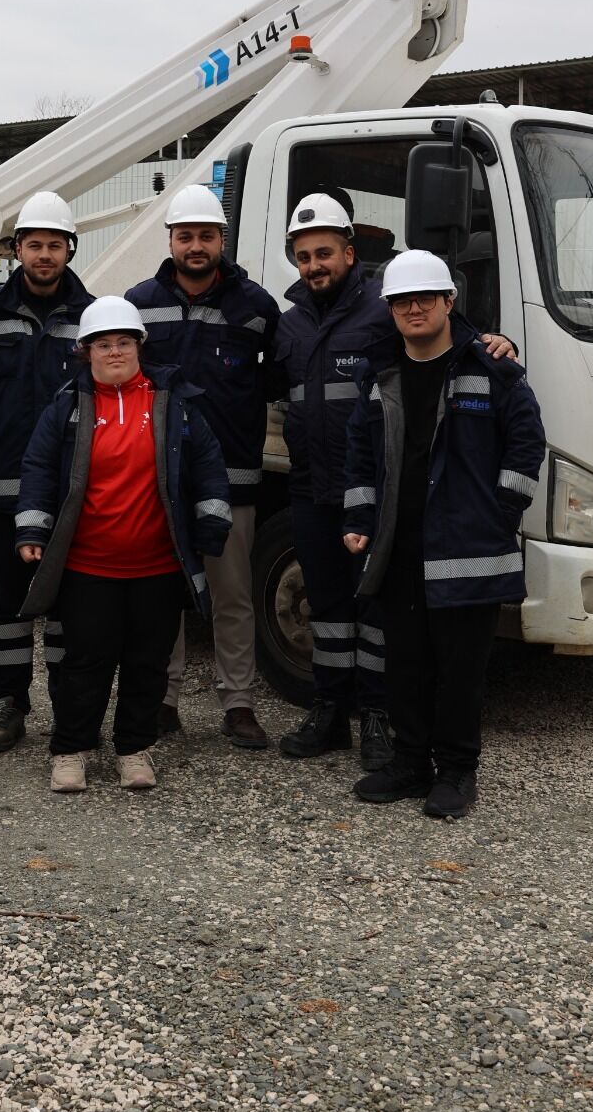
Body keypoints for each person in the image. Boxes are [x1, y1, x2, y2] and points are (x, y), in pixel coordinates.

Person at [274, 194, 519, 769]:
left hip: (377, 495)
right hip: (312, 488)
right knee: (327, 607)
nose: (315, 265)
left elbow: (448, 339)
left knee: (379, 614)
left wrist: (495, 342)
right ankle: (330, 710)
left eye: (325, 253)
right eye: (305, 256)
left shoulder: (382, 309)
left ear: (348, 252)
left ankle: (379, 716)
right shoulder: (286, 325)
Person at [342, 250, 545, 818]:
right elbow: (360, 456)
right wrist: (359, 521)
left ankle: (456, 772)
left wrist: (499, 515)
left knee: (460, 672)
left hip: (468, 551)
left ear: (449, 302)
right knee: (405, 664)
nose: (413, 308)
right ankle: (411, 764)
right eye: (401, 301)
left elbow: (527, 445)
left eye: (423, 298)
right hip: (399, 547)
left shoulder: (492, 368)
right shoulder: (379, 374)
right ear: (389, 309)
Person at [14, 296, 231, 793]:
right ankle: (71, 751)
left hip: (156, 566)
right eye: (104, 344)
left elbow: (209, 468)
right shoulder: (67, 407)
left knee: (147, 663)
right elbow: (38, 471)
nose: (115, 352)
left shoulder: (173, 403)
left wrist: (210, 529)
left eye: (124, 342)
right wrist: (31, 532)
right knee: (84, 663)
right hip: (89, 567)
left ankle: (135, 749)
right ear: (85, 352)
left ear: (139, 346)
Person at [125, 185, 280, 750]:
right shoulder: (139, 303)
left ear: (222, 241)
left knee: (232, 595)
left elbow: (281, 375)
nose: (196, 245)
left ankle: (237, 703)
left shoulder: (257, 308)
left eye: (206, 236)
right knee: (163, 592)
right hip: (159, 478)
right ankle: (162, 699)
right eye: (186, 235)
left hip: (234, 475)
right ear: (170, 240)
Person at [0, 191, 93, 752]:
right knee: (6, 604)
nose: (45, 255)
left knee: (63, 605)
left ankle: (65, 706)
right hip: (2, 488)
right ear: (16, 251)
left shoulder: (90, 316)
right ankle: (7, 703)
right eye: (35, 245)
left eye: (55, 245)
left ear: (69, 249)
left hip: (67, 492)